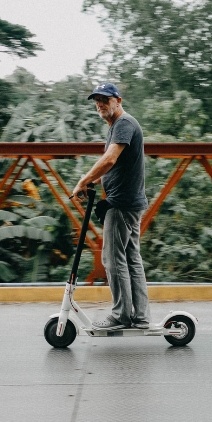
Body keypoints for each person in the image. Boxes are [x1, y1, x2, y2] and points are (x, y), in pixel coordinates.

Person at [71, 82, 151, 330]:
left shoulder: (124, 123)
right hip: (130, 202)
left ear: (118, 100)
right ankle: (140, 316)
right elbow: (114, 165)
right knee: (130, 258)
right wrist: (93, 182)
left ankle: (120, 316)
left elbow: (110, 159)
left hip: (122, 203)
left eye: (105, 99)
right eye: (96, 99)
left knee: (112, 259)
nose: (100, 103)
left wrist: (83, 181)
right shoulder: (118, 125)